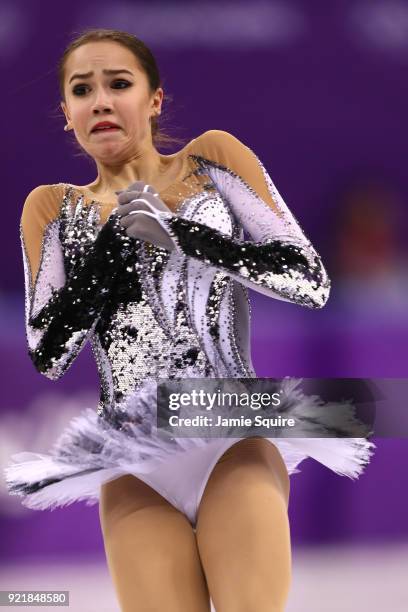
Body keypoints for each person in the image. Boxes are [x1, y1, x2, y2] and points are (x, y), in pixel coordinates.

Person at [4, 28, 375, 612]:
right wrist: (110, 249)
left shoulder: (210, 160)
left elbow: (309, 280)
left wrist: (182, 235)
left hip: (229, 432)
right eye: (82, 90)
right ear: (67, 114)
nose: (100, 99)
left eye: (118, 83)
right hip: (132, 460)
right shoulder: (51, 208)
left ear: (153, 99)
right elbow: (48, 353)